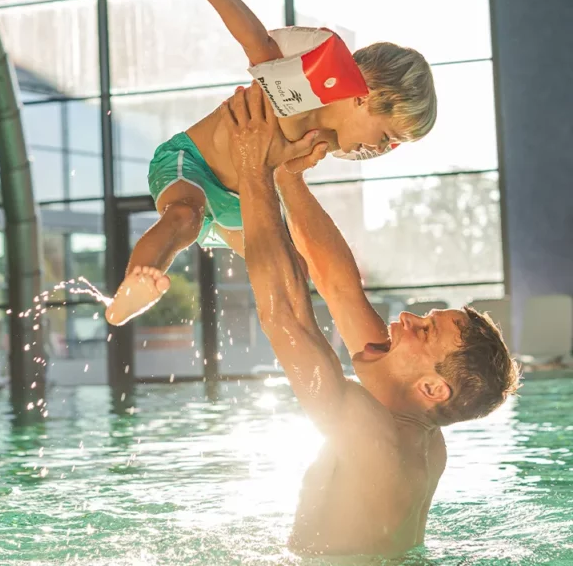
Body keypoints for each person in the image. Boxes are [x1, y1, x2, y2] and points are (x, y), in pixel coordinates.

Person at [222, 82, 520, 557]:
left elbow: (285, 316)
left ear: (432, 388)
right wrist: (287, 179)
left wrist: (250, 168)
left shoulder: (373, 434)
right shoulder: (418, 425)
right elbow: (339, 287)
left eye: (424, 330)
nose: (402, 318)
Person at [105, 0, 437, 326]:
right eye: (385, 137)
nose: (379, 150)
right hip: (192, 165)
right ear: (365, 96)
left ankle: (293, 351)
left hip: (238, 202)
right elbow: (256, 41)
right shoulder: (302, 87)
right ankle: (129, 294)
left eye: (392, 147)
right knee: (184, 216)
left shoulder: (325, 143)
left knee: (291, 266)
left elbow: (280, 182)